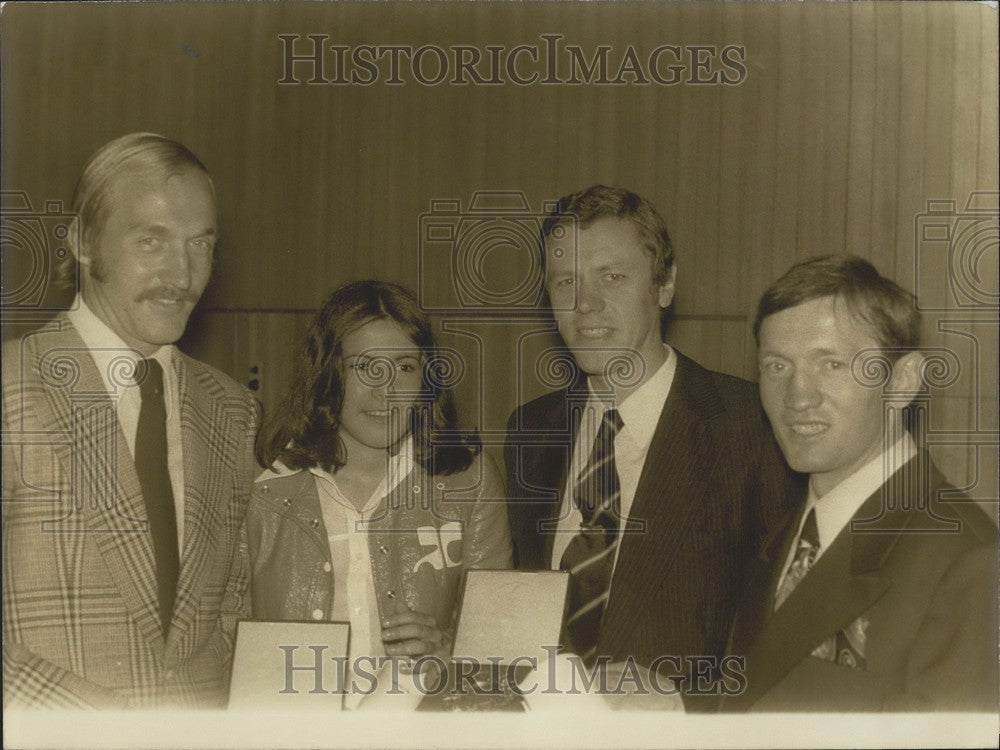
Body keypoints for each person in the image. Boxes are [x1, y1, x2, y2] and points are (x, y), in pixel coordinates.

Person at [503, 185, 798, 704]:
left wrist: (685, 708)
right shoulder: (531, 430)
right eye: (565, 282)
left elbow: (789, 642)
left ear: (664, 286)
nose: (585, 304)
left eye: (612, 277)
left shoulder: (754, 430)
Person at [2, 133, 259, 708]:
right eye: (152, 240)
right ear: (82, 242)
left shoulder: (234, 411)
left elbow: (232, 612)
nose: (183, 273)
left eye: (202, 244)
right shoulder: (11, 385)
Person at [722, 255, 997, 711]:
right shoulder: (779, 533)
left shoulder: (968, 563)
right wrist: (677, 707)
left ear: (903, 381)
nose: (798, 396)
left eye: (830, 364)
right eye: (776, 367)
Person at [248, 280, 511, 707]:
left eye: (405, 366)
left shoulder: (469, 480)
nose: (386, 390)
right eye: (365, 366)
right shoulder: (263, 486)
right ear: (328, 374)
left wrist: (450, 655)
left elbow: (504, 652)